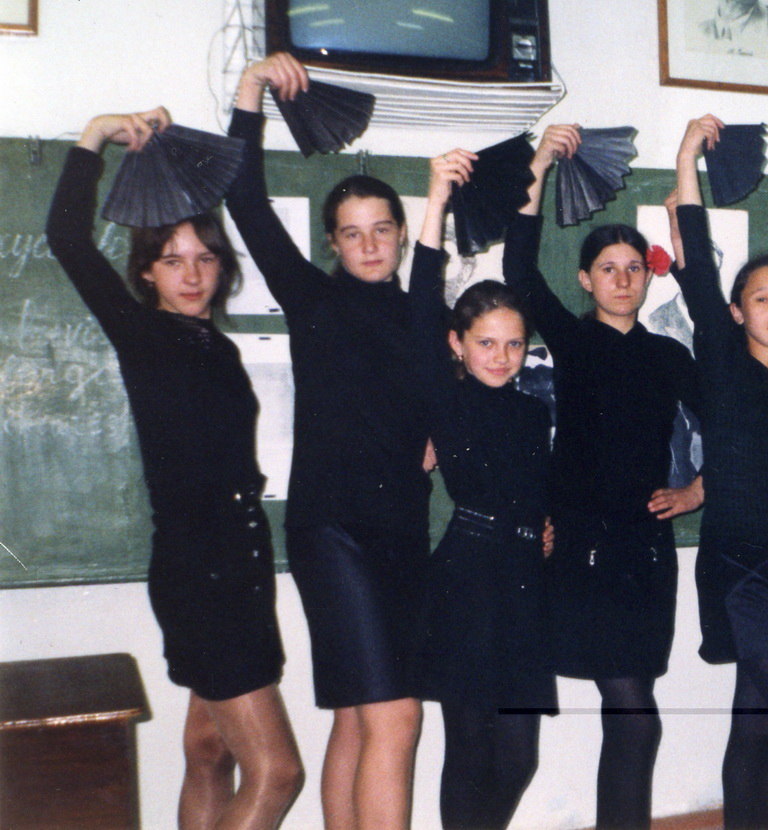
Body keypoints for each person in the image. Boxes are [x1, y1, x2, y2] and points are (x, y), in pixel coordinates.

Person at [46, 107, 303, 829]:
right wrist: (95, 134)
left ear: (222, 266)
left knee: (210, 752)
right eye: (172, 260)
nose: (191, 275)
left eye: (204, 258)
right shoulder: (144, 335)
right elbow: (66, 236)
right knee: (278, 773)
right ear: (146, 272)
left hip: (236, 566)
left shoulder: (217, 347)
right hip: (202, 574)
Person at [227, 54, 430, 829]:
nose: (369, 244)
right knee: (397, 717)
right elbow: (243, 198)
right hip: (334, 530)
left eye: (381, 230)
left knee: (357, 715)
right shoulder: (311, 298)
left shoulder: (424, 317)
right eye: (352, 233)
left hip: (403, 530)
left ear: (403, 235)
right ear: (333, 244)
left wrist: (439, 438)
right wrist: (251, 90)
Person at [501, 125, 703, 828]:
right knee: (631, 713)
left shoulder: (669, 357)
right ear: (586, 279)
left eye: (633, 268)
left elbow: (737, 423)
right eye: (607, 268)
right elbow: (520, 271)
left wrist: (700, 490)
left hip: (644, 553)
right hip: (578, 546)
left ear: (648, 278)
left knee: (633, 715)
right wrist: (539, 163)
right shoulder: (573, 340)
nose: (622, 279)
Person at [672, 114, 768, 830]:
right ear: (736, 312)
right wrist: (686, 158)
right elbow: (696, 256)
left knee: (758, 721)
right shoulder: (723, 365)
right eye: (760, 298)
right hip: (740, 565)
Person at [407, 149, 556, 829]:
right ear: (457, 344)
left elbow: (537, 487)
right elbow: (420, 302)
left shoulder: (531, 410)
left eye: (514, 344)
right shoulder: (448, 398)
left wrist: (546, 524)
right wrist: (436, 199)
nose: (501, 356)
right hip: (466, 581)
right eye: (486, 343)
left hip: (523, 581)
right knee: (469, 750)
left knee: (519, 756)